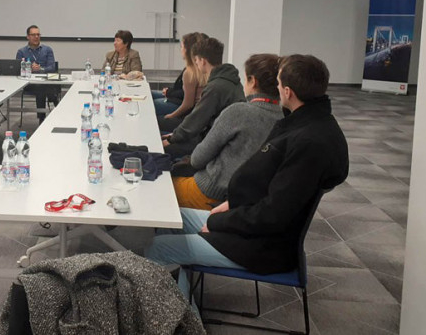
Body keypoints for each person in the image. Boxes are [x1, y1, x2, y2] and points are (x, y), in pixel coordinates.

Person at [146, 55, 349, 293]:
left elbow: (273, 214)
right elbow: (274, 191)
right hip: (248, 222)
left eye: (279, 82)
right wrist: (231, 204)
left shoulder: (307, 141)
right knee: (173, 217)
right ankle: (181, 298)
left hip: (260, 245)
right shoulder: (312, 125)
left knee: (157, 248)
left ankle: (178, 314)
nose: (276, 88)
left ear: (288, 92)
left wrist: (219, 221)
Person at [171, 54, 284, 209]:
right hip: (246, 201)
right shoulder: (284, 118)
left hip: (211, 193)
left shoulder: (238, 112)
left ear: (253, 81)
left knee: (160, 187)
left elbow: (198, 159)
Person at [162, 37, 244, 159]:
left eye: (196, 60)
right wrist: (175, 135)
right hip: (216, 137)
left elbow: (197, 120)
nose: (196, 63)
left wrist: (172, 139)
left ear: (203, 61)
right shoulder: (232, 81)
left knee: (161, 150)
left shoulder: (216, 87)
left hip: (213, 143)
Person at [153, 32, 208, 119]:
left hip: (182, 107)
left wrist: (170, 116)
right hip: (182, 104)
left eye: (182, 47)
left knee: (150, 105)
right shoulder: (196, 69)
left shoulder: (190, 72)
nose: (181, 50)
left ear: (187, 50)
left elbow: (188, 104)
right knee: (150, 96)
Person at [16, 25, 59, 123]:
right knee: (42, 88)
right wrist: (29, 68)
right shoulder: (21, 52)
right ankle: (54, 104)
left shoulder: (47, 50)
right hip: (30, 83)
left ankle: (41, 118)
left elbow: (52, 67)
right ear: (28, 36)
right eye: (33, 35)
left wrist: (41, 68)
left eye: (38, 34)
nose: (36, 37)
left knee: (43, 87)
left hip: (46, 81)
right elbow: (17, 69)